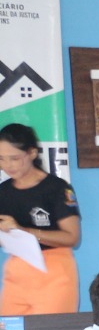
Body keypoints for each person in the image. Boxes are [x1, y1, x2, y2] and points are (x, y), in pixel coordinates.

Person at [0, 122, 81, 314]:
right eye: (1, 159)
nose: (7, 165)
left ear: (32, 153)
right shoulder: (3, 191)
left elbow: (72, 237)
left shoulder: (57, 188)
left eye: (14, 158)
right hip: (17, 270)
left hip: (54, 270)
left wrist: (23, 230)